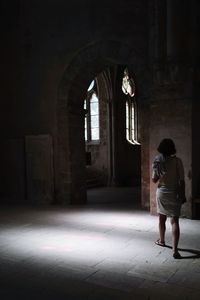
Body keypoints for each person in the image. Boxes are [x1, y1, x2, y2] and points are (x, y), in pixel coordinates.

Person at [152, 138, 186, 259]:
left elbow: (154, 180)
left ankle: (162, 241)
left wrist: (158, 171)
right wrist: (183, 195)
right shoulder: (178, 161)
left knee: (162, 219)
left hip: (162, 193)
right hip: (174, 193)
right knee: (175, 221)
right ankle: (175, 250)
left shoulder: (158, 161)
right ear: (172, 149)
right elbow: (182, 181)